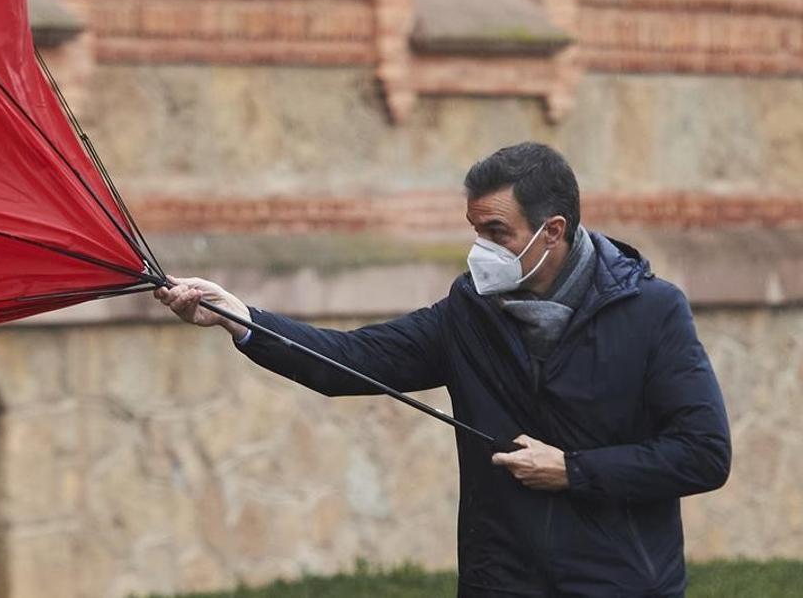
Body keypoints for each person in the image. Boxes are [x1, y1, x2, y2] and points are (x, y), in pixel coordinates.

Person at [154, 142, 730, 597]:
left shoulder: (654, 311)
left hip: (621, 585)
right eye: (477, 231)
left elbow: (703, 453)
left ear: (553, 230)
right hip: (500, 583)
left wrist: (574, 471)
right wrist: (242, 319)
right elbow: (352, 361)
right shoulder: (469, 311)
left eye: (497, 233)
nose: (482, 249)